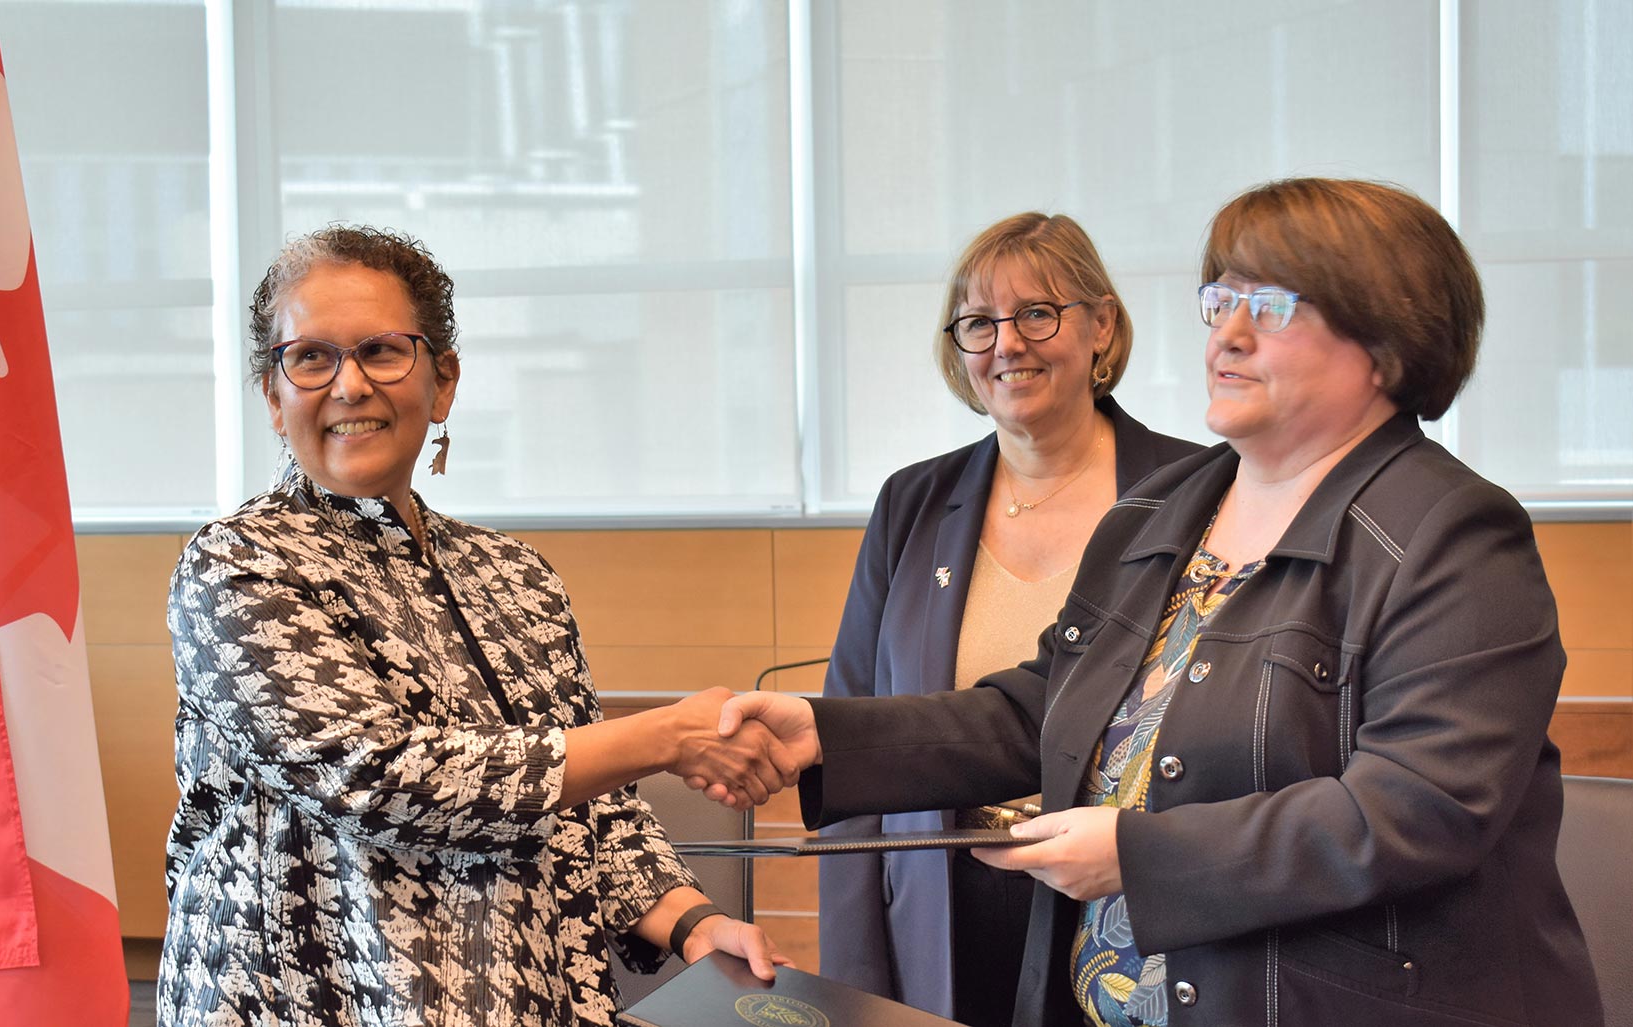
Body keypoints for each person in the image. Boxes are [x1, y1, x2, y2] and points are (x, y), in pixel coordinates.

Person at [716, 179, 1604, 1027]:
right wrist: (826, 733)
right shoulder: (1165, 509)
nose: (1229, 335)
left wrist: (1137, 856)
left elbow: (1416, 806)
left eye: (1276, 306)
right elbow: (1048, 708)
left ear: (1389, 342)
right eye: (1221, 302)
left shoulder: (1454, 532)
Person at [160, 225, 794, 1027]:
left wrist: (694, 921)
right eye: (311, 358)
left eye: (382, 351)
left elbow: (591, 803)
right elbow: (376, 776)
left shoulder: (514, 573)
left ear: (444, 380)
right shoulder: (237, 562)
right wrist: (666, 734)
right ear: (274, 398)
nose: (348, 384)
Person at [819, 213, 1198, 1026]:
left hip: (1125, 902)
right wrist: (853, 978)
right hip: (941, 908)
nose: (1007, 344)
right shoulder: (912, 503)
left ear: (1102, 325)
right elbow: (858, 742)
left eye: (1037, 313)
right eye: (979, 323)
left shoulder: (1197, 491)